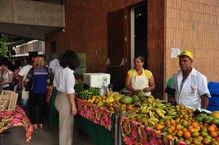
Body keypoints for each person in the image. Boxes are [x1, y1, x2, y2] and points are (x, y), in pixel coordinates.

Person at [53, 50, 79, 145]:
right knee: (66, 128)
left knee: (64, 126)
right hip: (65, 100)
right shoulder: (68, 72)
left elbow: (56, 84)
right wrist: (73, 106)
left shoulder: (59, 69)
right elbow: (70, 91)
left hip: (58, 97)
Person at [24, 56, 50, 129]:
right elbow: (48, 81)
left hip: (33, 91)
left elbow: (26, 80)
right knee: (41, 107)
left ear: (36, 61)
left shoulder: (33, 70)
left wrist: (25, 83)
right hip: (42, 91)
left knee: (32, 107)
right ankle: (41, 123)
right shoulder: (46, 70)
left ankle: (34, 124)